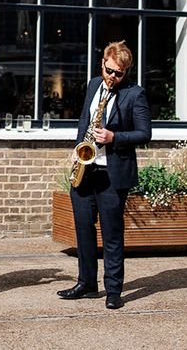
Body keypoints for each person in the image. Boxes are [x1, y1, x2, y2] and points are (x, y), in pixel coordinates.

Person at [57, 40, 151, 310]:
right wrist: (77, 150)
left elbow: (145, 134)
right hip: (86, 169)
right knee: (83, 228)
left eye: (118, 74)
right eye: (109, 71)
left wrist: (114, 137)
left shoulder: (135, 94)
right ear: (103, 65)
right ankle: (86, 283)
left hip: (113, 174)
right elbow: (84, 123)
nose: (112, 78)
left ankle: (113, 290)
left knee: (111, 233)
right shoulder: (93, 85)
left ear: (126, 72)